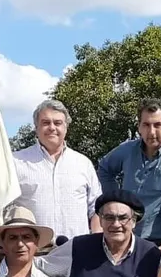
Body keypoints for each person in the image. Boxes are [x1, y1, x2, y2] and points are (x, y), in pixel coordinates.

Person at [97, 97, 161, 249]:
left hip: (160, 243)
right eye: (146, 125)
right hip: (126, 238)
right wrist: (116, 199)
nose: (152, 132)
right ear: (139, 127)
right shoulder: (127, 150)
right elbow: (104, 169)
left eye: (157, 125)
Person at [13, 99, 102, 241]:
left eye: (58, 123)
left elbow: (97, 208)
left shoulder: (83, 164)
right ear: (36, 128)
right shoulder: (16, 162)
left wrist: (96, 239)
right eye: (45, 123)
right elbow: (4, 209)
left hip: (78, 253)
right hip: (33, 254)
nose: (52, 127)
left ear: (66, 127)